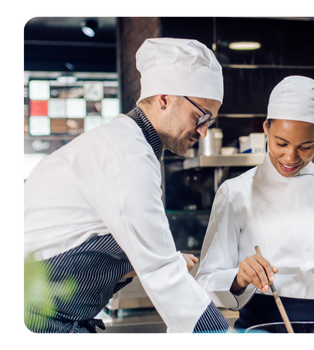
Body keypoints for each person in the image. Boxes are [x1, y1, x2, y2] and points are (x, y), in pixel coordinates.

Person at [24, 38, 230, 333]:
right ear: (164, 99)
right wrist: (218, 335)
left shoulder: (122, 143)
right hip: (40, 320)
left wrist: (148, 261)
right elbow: (161, 272)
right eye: (201, 116)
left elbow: (83, 239)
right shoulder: (128, 155)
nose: (204, 131)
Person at [196, 76, 314, 330]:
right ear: (266, 128)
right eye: (280, 143)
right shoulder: (235, 192)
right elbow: (206, 281)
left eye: (306, 146)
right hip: (261, 331)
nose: (290, 157)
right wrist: (239, 278)